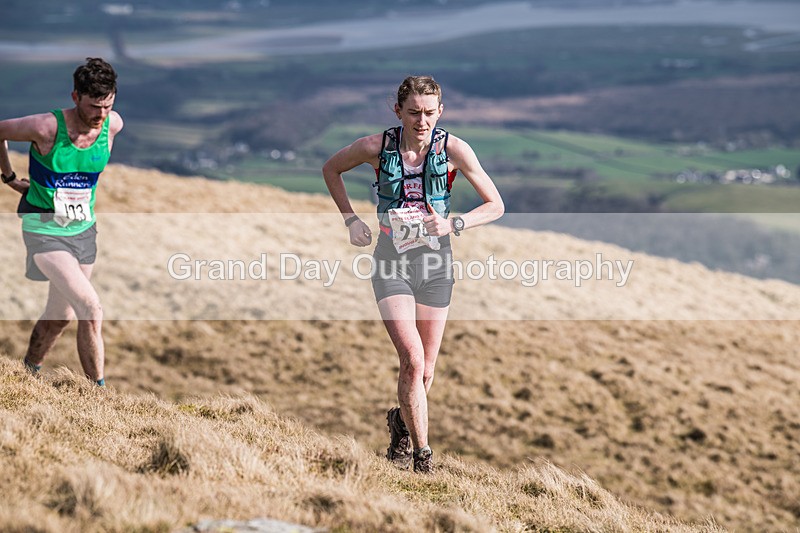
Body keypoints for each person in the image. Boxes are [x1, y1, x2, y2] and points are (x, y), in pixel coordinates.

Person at [322, 75, 504, 473]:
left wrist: (455, 224)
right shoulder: (376, 147)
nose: (422, 122)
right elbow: (331, 169)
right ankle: (422, 456)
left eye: (429, 113)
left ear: (440, 111)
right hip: (392, 264)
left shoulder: (454, 149)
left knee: (428, 370)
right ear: (398, 111)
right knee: (412, 360)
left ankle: (400, 424)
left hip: (437, 266)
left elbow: (496, 205)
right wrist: (351, 220)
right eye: (413, 113)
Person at [0, 58, 123, 386]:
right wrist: (9, 177)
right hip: (43, 229)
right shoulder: (45, 127)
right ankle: (97, 398)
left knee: (60, 317)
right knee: (90, 308)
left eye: (107, 106)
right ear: (75, 97)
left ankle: (26, 374)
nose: (100, 115)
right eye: (94, 106)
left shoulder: (113, 126)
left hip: (83, 230)